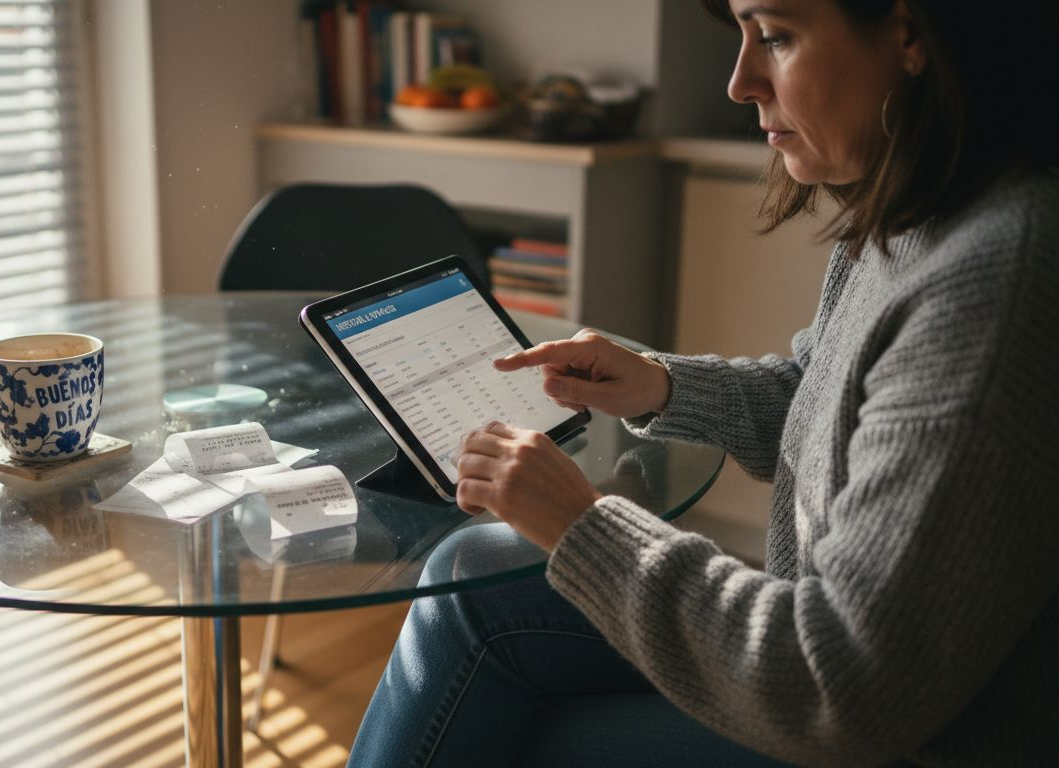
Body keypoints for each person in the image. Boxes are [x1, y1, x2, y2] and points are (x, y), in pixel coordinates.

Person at [347, 0, 1059, 765]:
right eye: (742, 35)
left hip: (874, 732)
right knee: (469, 569)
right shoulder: (906, 212)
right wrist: (662, 386)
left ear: (911, 33)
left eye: (776, 36)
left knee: (509, 739)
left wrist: (580, 523)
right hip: (817, 662)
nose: (738, 81)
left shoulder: (992, 282)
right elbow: (828, 397)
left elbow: (839, 688)